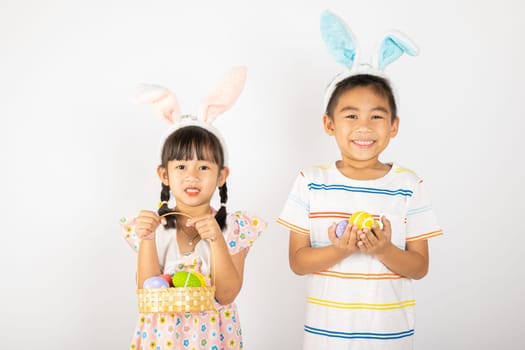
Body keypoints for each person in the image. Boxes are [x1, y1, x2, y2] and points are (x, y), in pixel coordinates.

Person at [277, 11, 443, 350]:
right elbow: (298, 262)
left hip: (389, 337)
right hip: (326, 338)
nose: (364, 127)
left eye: (376, 116)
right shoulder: (311, 181)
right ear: (329, 123)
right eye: (351, 115)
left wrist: (383, 249)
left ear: (394, 125)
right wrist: (340, 249)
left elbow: (419, 267)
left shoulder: (408, 184)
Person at [120, 66, 266, 350]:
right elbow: (148, 294)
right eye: (181, 166)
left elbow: (225, 294)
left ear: (221, 175)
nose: (192, 176)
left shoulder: (235, 227)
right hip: (160, 340)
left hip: (213, 339)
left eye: (203, 166)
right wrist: (147, 239)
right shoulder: (153, 227)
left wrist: (216, 239)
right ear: (164, 174)